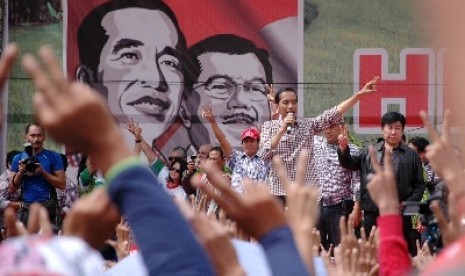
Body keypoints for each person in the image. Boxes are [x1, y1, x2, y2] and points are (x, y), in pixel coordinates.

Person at [76, 0, 192, 156]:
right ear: (86, 82)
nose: (157, 80)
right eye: (130, 55)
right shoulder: (70, 173)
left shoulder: (172, 173)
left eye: (169, 62)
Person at [258, 76, 378, 203]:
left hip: (306, 194)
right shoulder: (269, 127)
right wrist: (281, 131)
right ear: (277, 105)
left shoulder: (308, 125)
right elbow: (262, 156)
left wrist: (358, 96)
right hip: (279, 193)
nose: (290, 106)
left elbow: (333, 113)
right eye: (286, 102)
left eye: (294, 102)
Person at [338, 111, 426, 255]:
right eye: (389, 127)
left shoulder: (412, 155)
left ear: (402, 130)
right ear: (382, 129)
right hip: (372, 211)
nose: (393, 132)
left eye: (397, 128)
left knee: (398, 251)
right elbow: (350, 163)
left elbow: (419, 185)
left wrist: (408, 203)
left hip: (400, 212)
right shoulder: (369, 151)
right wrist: (343, 149)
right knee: (370, 250)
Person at [184, 34, 273, 150]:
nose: (241, 100)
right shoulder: (170, 166)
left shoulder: (284, 166)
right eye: (221, 87)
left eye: (255, 88)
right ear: (184, 110)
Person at [313, 122, 361, 250]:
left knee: (342, 248)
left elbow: (357, 182)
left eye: (332, 127)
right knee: (317, 249)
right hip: (317, 205)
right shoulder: (316, 145)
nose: (328, 131)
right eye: (326, 127)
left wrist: (357, 208)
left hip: (340, 207)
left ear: (342, 127)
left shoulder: (354, 150)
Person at [201, 105, 270, 193]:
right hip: (239, 204)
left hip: (259, 203)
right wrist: (213, 122)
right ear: (242, 144)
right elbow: (222, 140)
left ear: (258, 143)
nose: (249, 144)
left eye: (252, 141)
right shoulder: (236, 158)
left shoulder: (265, 158)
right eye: (246, 141)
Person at [9, 123, 66, 226]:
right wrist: (21, 172)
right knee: (27, 242)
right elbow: (11, 189)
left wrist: (43, 173)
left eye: (39, 135)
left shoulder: (54, 156)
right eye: (32, 135)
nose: (36, 139)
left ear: (44, 137)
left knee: (48, 242)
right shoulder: (18, 158)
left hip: (48, 208)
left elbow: (62, 184)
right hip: (26, 208)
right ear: (26, 137)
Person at [0, 150, 21, 235]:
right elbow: (0, 202)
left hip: (21, 220)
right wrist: (19, 204)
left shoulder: (23, 177)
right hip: (5, 224)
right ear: (9, 164)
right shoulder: (3, 180)